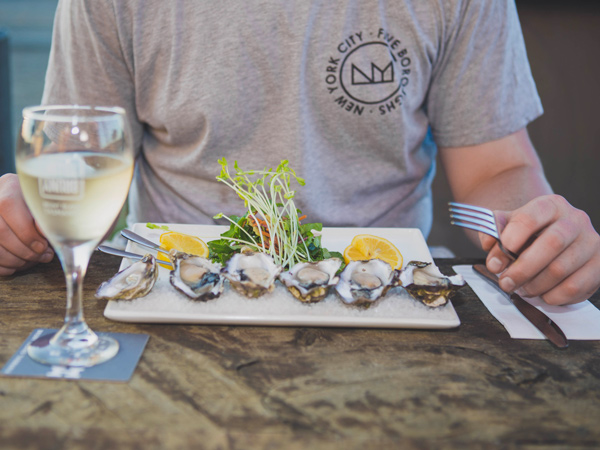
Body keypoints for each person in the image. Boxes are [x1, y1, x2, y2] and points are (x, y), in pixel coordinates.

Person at [1, 0, 598, 305]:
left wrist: (535, 233)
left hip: (390, 297)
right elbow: (77, 169)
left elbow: (498, 168)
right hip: (171, 299)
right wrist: (20, 214)